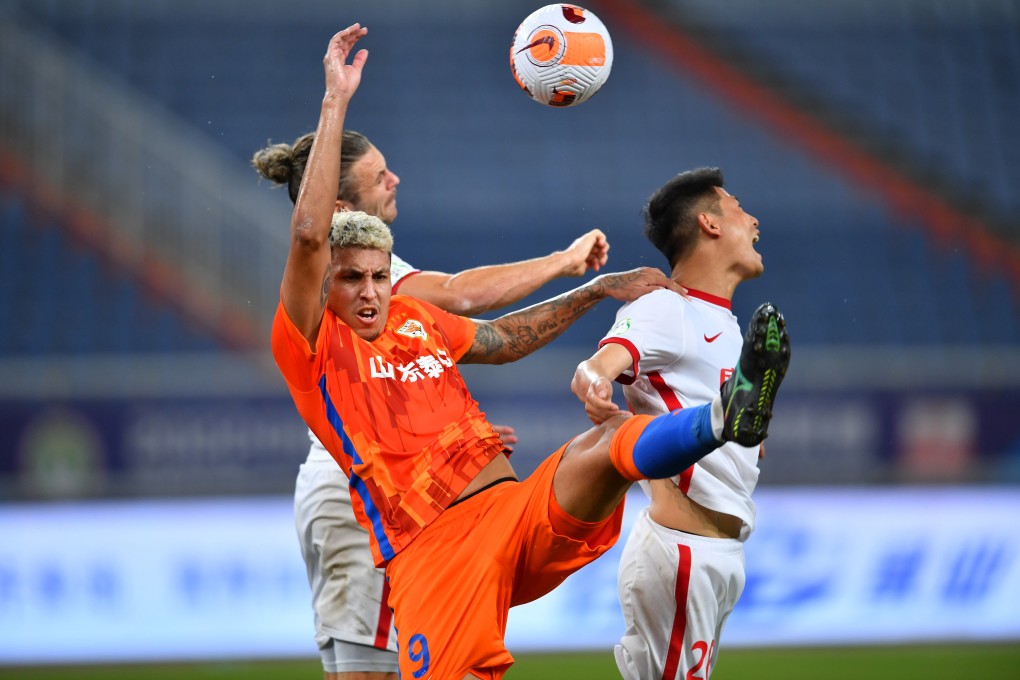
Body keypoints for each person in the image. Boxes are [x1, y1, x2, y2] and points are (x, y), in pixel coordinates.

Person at [270, 25, 790, 679]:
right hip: (433, 551)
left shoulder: (412, 316)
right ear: (323, 283)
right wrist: (335, 100)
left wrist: (594, 290)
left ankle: (725, 416)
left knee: (608, 444)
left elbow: (503, 339)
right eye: (352, 278)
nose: (373, 289)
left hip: (508, 512)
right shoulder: (311, 342)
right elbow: (312, 234)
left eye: (380, 274)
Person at [253, 48, 614, 680]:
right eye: (379, 175)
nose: (395, 181)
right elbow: (465, 296)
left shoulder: (359, 268)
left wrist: (445, 444)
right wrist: (562, 264)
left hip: (359, 488)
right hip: (370, 496)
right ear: (341, 205)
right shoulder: (351, 278)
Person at [571, 167, 790, 679]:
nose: (754, 220)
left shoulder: (728, 326)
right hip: (682, 554)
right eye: (738, 206)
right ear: (709, 223)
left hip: (717, 556)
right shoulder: (668, 308)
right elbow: (596, 366)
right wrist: (596, 386)